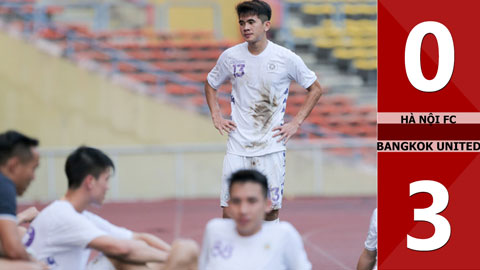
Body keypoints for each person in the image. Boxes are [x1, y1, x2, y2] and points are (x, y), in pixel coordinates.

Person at [204, 0, 323, 222]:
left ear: (266, 25)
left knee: (270, 210)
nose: (245, 27)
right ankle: (234, 257)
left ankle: (268, 254)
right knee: (230, 210)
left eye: (251, 22)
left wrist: (295, 123)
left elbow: (315, 89)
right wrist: (216, 115)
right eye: (242, 23)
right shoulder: (230, 57)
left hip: (271, 146)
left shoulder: (285, 58)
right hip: (238, 146)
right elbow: (211, 84)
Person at [24, 146, 198, 270]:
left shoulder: (77, 215)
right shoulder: (63, 216)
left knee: (182, 250)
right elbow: (121, 249)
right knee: (183, 249)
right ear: (90, 182)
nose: (108, 187)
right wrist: (173, 258)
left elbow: (136, 238)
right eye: (106, 179)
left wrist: (172, 255)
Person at [199, 169, 311, 270]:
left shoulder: (284, 235)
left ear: (267, 205)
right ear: (228, 206)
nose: (243, 210)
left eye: (251, 201)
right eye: (236, 201)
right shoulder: (214, 230)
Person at [0, 130, 48, 270]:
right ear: (13, 165)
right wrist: (36, 262)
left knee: (20, 233)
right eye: (33, 168)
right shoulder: (4, 185)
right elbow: (13, 250)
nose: (34, 177)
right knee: (33, 268)